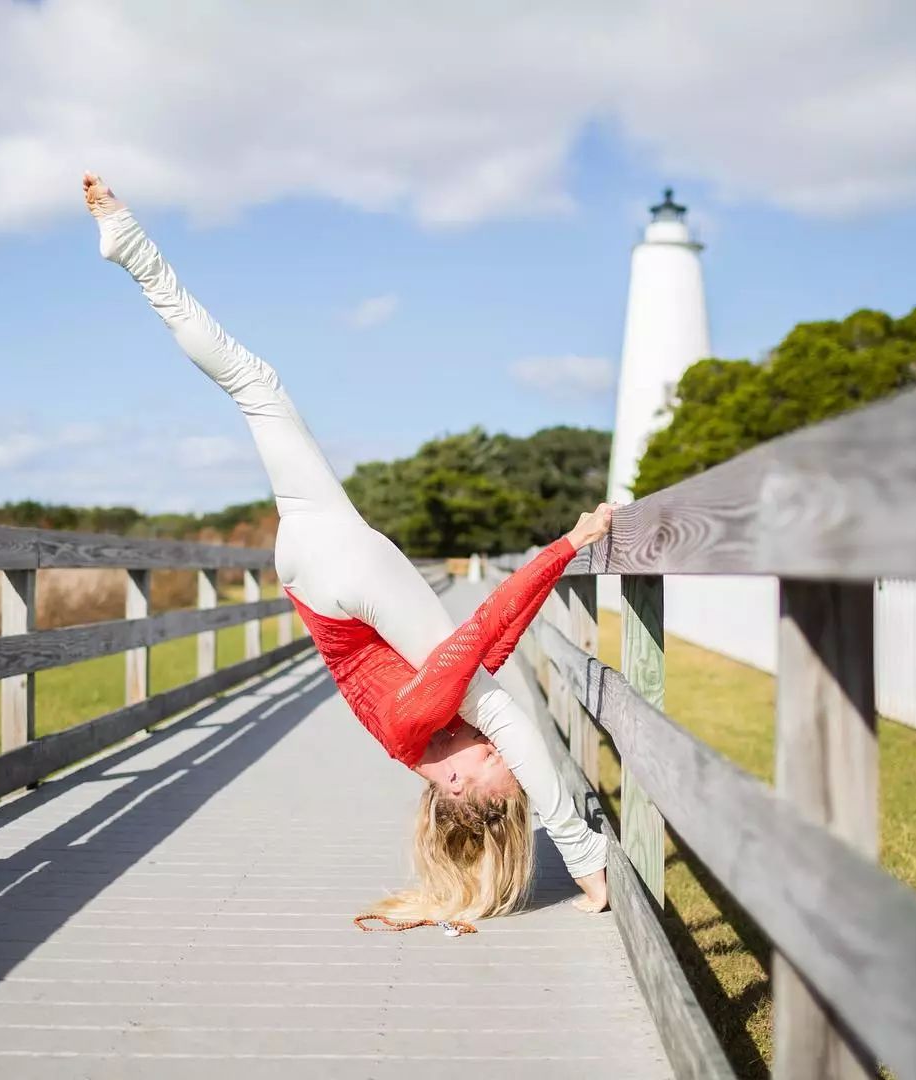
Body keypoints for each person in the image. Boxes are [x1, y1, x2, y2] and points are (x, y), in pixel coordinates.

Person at [83, 173, 611, 922]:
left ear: (453, 788)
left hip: (338, 573)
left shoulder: (410, 724)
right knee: (253, 382)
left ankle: (584, 858)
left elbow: (481, 634)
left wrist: (564, 545)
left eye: (491, 767)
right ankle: (133, 250)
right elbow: (494, 634)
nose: (490, 751)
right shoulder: (426, 726)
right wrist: (567, 546)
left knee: (494, 702)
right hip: (312, 563)